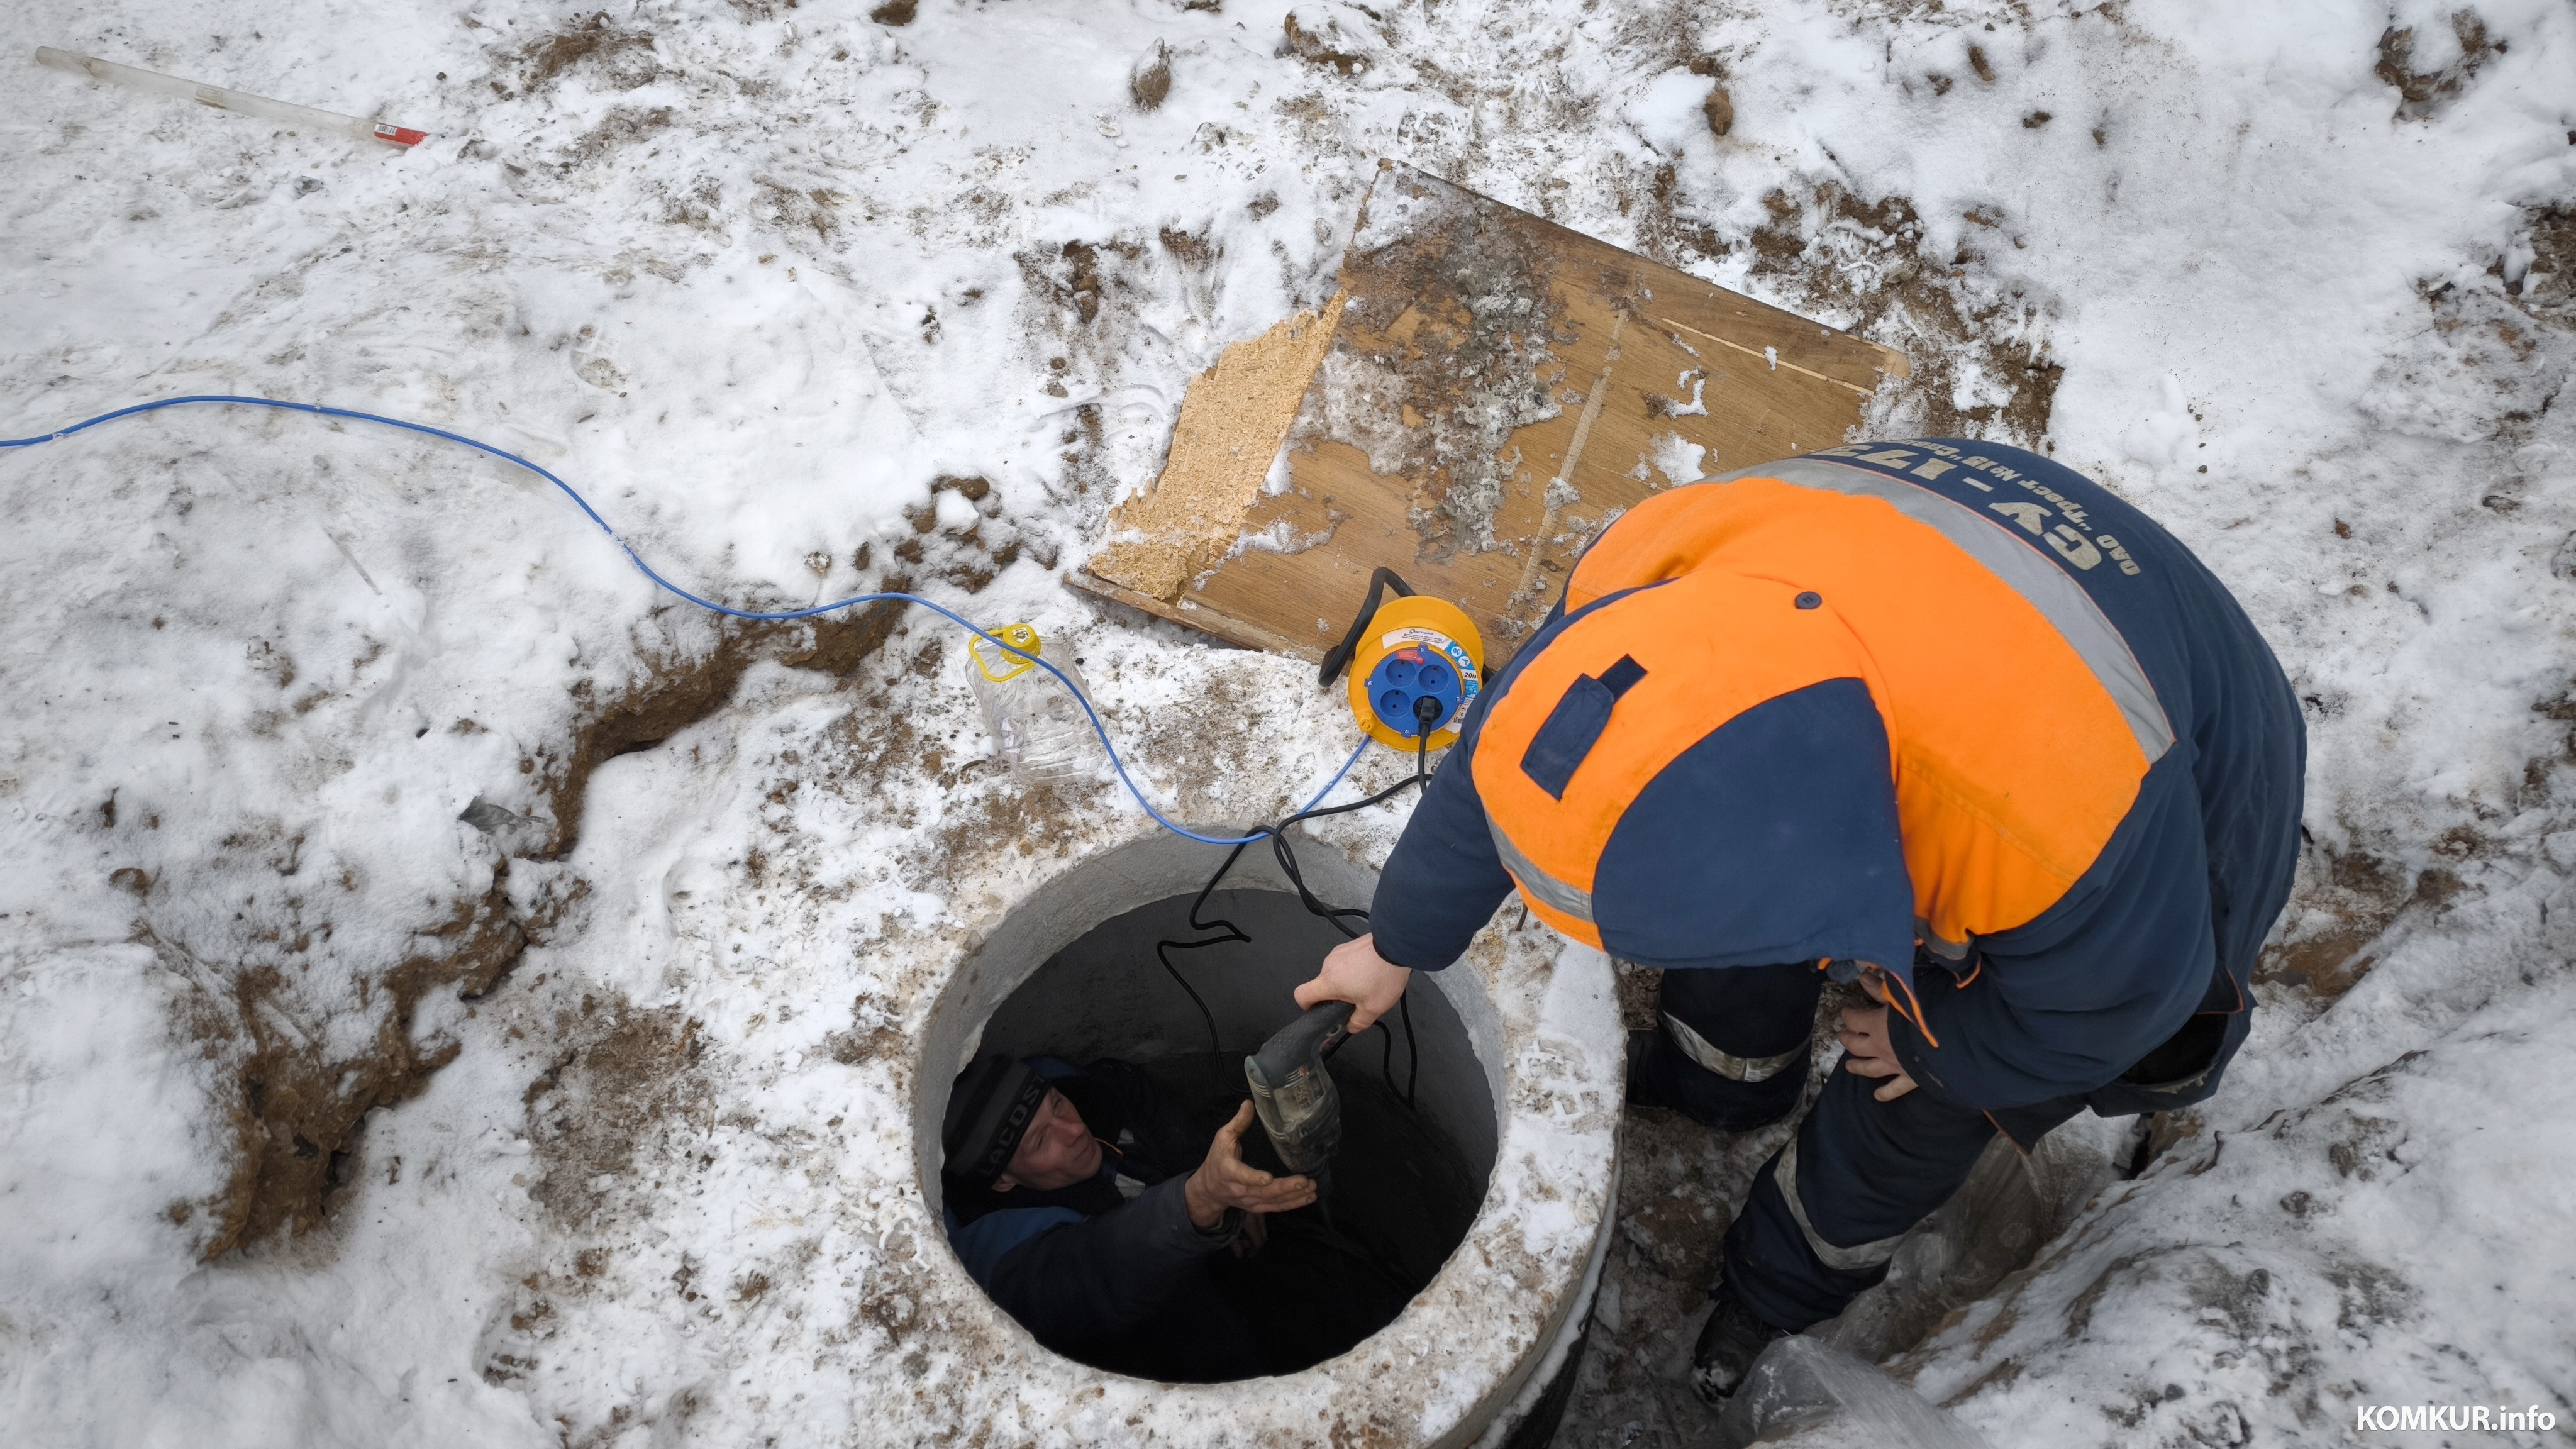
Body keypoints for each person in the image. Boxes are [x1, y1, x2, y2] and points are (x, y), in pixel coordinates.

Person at [1293, 439, 2304, 1400]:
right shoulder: (1638, 581)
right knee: (1728, 956)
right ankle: (1722, 1087)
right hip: (1906, 570)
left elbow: (2119, 1002)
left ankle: (1777, 1285)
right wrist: (1398, 944)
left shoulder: (2057, 827)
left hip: (2169, 738)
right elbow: (1506, 761)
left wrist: (1947, 1043)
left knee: (1908, 1104)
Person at [939, 1052, 1316, 1381]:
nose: (1073, 1130)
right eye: (1040, 1141)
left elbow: (1154, 1114)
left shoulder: (1090, 1091)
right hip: (1157, 1346)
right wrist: (1199, 1199)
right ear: (1004, 1181)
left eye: (1057, 1105)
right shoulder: (1009, 1256)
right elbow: (1098, 1270)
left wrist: (1224, 1184)